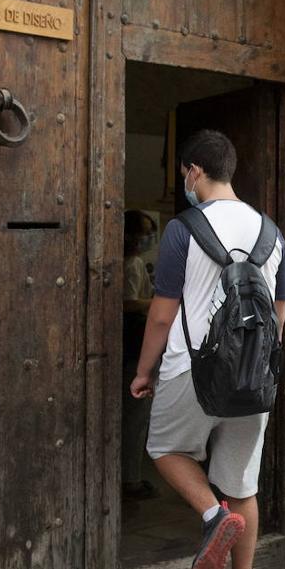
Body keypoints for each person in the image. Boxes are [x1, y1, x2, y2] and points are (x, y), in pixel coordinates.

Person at [130, 129, 285, 569]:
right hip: (254, 377)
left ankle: (211, 516)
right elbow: (280, 312)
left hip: (192, 369)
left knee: (165, 448)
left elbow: (161, 313)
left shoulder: (184, 230)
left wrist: (144, 371)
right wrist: (258, 365)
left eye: (184, 175)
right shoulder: (272, 232)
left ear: (194, 172)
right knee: (243, 484)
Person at [122, 210, 157, 502]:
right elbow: (128, 303)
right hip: (134, 346)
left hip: (128, 346)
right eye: (142, 232)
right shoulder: (132, 264)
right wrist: (156, 302)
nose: (145, 238)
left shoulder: (129, 262)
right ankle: (130, 478)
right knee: (135, 416)